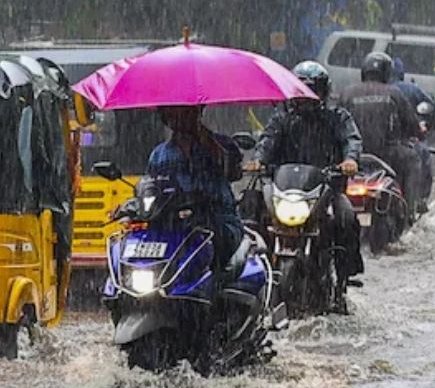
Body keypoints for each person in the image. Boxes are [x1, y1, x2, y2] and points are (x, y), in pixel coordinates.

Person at [249, 61, 365, 311]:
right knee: (251, 208)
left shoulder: (337, 117)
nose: (305, 97)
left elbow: (351, 140)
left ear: (323, 92)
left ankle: (344, 276)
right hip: (285, 191)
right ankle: (249, 272)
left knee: (346, 218)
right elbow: (267, 141)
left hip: (325, 190)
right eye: (301, 90)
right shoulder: (282, 118)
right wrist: (258, 160)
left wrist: (349, 160)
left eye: (312, 91)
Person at [145, 105, 243, 274]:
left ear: (197, 112)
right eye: (171, 113)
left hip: (217, 222)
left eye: (184, 112)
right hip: (175, 228)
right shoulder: (159, 155)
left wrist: (209, 143)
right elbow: (150, 187)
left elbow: (234, 171)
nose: (178, 117)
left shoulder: (220, 144)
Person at [334, 52, 424, 221]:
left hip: (354, 158)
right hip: (388, 155)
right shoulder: (394, 93)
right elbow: (412, 126)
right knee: (413, 160)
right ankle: (410, 212)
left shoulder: (347, 93)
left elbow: (337, 127)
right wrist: (418, 132)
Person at [389, 56, 435, 213]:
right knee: (421, 158)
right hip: (403, 142)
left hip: (375, 145)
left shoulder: (364, 91)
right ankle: (417, 203)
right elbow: (431, 108)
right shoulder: (408, 90)